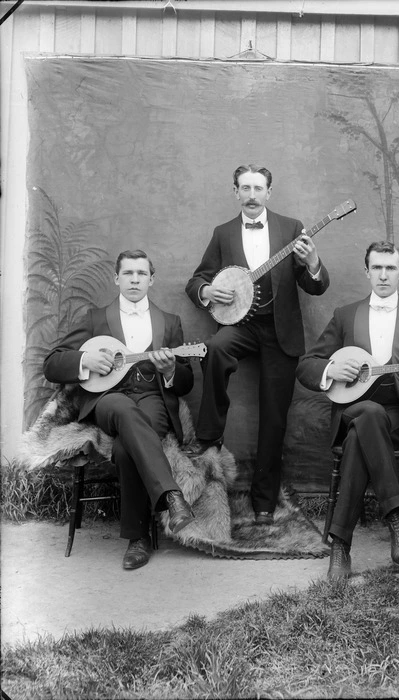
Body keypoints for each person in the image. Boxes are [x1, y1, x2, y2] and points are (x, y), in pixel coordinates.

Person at [185, 164, 330, 524]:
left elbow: (315, 286)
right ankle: (208, 433)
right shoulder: (223, 233)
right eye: (245, 188)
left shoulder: (291, 228)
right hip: (241, 325)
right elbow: (197, 279)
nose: (251, 195)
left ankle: (264, 502)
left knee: (274, 417)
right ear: (236, 192)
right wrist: (206, 289)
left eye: (258, 188)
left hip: (279, 329)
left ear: (269, 192)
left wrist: (312, 263)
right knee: (216, 348)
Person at [296, 240, 399, 580]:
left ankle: (339, 546)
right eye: (376, 268)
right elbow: (306, 366)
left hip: (397, 416)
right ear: (366, 272)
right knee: (367, 414)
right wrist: (330, 371)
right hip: (351, 408)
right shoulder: (345, 316)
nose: (382, 275)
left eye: (390, 268)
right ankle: (396, 518)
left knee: (364, 432)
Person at [44, 250, 195, 570]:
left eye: (142, 274)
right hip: (107, 398)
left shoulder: (170, 322)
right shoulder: (95, 318)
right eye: (128, 274)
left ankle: (137, 538)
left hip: (152, 400)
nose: (135, 279)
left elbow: (184, 382)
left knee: (127, 448)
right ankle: (171, 496)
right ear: (117, 279)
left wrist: (169, 371)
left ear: (151, 280)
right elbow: (52, 363)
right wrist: (85, 361)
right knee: (123, 407)